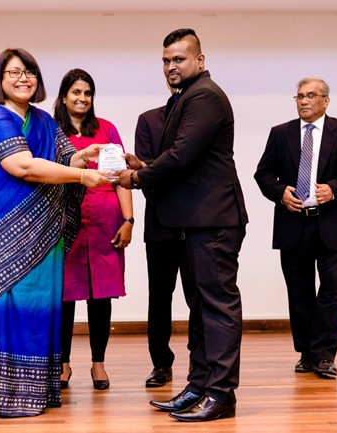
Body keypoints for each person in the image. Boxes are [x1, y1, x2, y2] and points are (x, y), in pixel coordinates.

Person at [0, 49, 110, 418]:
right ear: (0, 79)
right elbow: (24, 165)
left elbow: (61, 163)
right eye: (14, 72)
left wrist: (85, 155)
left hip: (44, 227)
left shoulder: (45, 121)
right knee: (8, 299)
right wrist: (80, 175)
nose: (23, 78)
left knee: (41, 298)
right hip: (1, 224)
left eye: (29, 72)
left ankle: (36, 389)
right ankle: (5, 391)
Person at [116, 28, 248, 422]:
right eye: (165, 60)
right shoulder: (184, 98)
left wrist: (138, 179)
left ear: (200, 61)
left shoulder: (204, 95)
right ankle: (198, 386)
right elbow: (176, 158)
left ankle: (221, 395)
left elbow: (181, 156)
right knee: (201, 309)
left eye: (179, 59)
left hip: (214, 219)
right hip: (195, 221)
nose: (171, 66)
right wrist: (145, 166)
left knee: (217, 308)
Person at [254, 77, 337, 379]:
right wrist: (280, 193)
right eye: (299, 96)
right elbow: (263, 174)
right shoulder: (280, 134)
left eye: (311, 96)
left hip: (332, 224)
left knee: (331, 289)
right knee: (299, 290)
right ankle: (306, 353)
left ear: (325, 101)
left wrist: (334, 188)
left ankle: (325, 356)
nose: (304, 101)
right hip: (293, 223)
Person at [53, 68, 133, 391]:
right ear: (63, 97)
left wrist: (128, 220)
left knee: (102, 296)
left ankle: (98, 364)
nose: (83, 99)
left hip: (104, 222)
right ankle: (63, 363)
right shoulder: (52, 130)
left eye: (88, 93)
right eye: (76, 93)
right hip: (64, 222)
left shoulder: (107, 129)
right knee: (64, 296)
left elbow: (122, 177)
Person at [134, 104, 190, 388]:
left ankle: (200, 361)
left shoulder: (196, 118)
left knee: (199, 297)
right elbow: (144, 172)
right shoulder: (148, 120)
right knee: (159, 297)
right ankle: (160, 364)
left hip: (195, 223)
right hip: (160, 222)